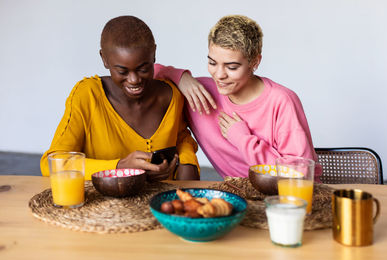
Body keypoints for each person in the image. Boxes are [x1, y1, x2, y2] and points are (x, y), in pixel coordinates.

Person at [154, 15, 321, 179]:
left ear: (255, 62)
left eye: (232, 67)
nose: (219, 75)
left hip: (286, 199)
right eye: (212, 63)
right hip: (238, 196)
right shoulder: (198, 93)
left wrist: (243, 139)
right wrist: (180, 77)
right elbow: (140, 73)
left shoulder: (282, 101)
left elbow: (300, 172)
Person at [40, 16, 199, 181]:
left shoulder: (171, 95)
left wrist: (188, 164)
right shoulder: (88, 95)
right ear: (104, 59)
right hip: (102, 204)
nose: (134, 79)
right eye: (122, 71)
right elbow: (53, 164)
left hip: (160, 202)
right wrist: (120, 167)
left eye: (143, 69)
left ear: (154, 55)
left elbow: (181, 137)